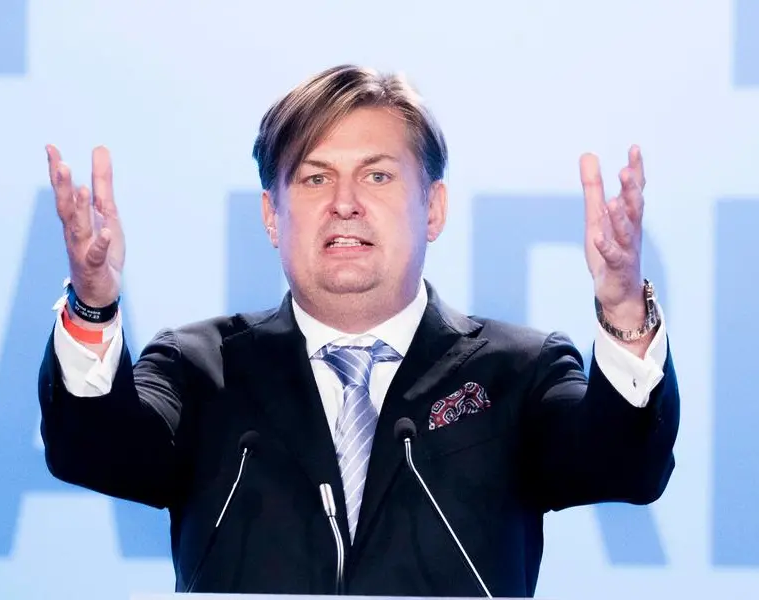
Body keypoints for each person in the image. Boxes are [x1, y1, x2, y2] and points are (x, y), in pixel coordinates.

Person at [38, 64, 679, 597]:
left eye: (377, 176)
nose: (344, 203)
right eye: (315, 178)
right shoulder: (201, 369)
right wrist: (93, 306)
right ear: (271, 215)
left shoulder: (518, 371)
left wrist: (624, 311)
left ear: (433, 208)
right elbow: (94, 450)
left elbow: (625, 466)